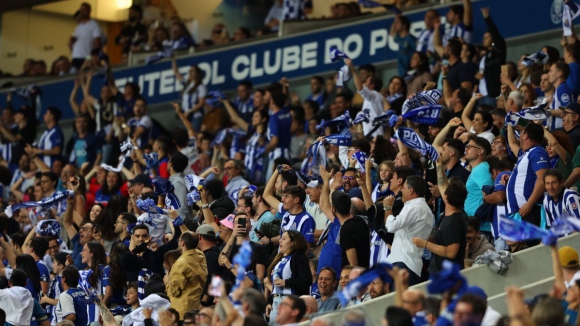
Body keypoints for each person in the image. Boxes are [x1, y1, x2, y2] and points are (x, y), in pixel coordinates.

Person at [413, 158, 468, 272]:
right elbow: (442, 185)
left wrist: (425, 244)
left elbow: (451, 252)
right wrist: (438, 164)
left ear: (446, 197)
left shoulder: (454, 221)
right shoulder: (450, 213)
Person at [384, 175, 434, 285]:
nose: (401, 190)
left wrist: (387, 208)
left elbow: (391, 226)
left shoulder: (413, 206)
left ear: (411, 191)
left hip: (404, 263)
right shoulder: (426, 210)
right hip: (410, 263)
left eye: (404, 188)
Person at [506, 123, 550, 227]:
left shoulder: (537, 152)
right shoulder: (525, 153)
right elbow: (512, 143)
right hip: (521, 213)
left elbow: (542, 179)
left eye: (521, 133)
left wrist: (529, 204)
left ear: (526, 136)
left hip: (529, 211)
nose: (519, 135)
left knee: (532, 243)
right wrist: (509, 123)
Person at [265, 231, 311, 321]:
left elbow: (306, 280)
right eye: (281, 238)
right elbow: (275, 286)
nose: (280, 241)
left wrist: (286, 283)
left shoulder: (299, 258)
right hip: (275, 303)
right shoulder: (278, 260)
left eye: (284, 239)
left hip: (291, 302)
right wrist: (269, 302)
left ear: (294, 242)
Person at [262, 167, 315, 245]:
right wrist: (277, 171)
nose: (282, 200)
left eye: (286, 196)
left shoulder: (306, 219)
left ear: (296, 200)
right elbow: (266, 195)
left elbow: (306, 248)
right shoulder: (285, 212)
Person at [166, 232, 207, 319]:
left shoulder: (180, 264)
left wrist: (167, 283)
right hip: (195, 307)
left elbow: (174, 291)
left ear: (182, 243)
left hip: (181, 312)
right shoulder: (201, 256)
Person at [345, 58, 384, 138]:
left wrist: (352, 69)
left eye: (367, 82)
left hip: (374, 136)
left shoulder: (373, 95)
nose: (365, 83)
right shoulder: (377, 97)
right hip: (374, 135)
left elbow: (360, 88)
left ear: (372, 85)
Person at [172, 59, 206, 132]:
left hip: (195, 116)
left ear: (197, 73)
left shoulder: (200, 86)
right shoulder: (186, 85)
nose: (190, 72)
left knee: (192, 134)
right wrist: (173, 59)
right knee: (181, 135)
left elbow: (201, 103)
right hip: (186, 116)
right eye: (190, 70)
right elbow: (176, 72)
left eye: (193, 71)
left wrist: (189, 111)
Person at [463, 136, 494, 217]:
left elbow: (489, 194)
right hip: (474, 222)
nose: (466, 149)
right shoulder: (477, 169)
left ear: (480, 151)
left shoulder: (482, 169)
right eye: (466, 147)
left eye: (469, 147)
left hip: (480, 224)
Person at [70, 3, 102, 70]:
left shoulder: (94, 25)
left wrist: (91, 57)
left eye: (84, 9)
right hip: (76, 57)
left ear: (89, 11)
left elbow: (97, 42)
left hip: (87, 57)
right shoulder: (78, 27)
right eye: (81, 10)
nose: (82, 11)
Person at [548, 61, 572, 131]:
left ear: (559, 74)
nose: (548, 74)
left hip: (561, 131)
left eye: (551, 71)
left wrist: (546, 112)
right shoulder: (558, 89)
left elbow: (567, 110)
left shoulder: (562, 88)